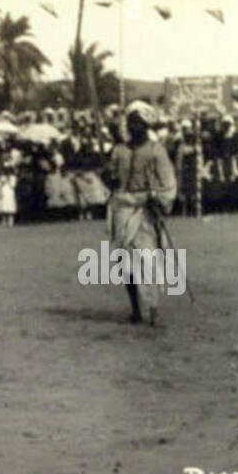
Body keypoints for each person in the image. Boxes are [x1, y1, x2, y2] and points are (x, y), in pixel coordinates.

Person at [102, 100, 177, 327]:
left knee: (147, 260)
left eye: (138, 123)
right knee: (125, 262)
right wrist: (107, 176)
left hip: (145, 208)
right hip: (122, 207)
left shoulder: (156, 151)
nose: (133, 127)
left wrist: (158, 198)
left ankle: (153, 309)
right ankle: (135, 309)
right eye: (130, 123)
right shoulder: (119, 150)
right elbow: (111, 178)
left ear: (146, 126)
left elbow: (168, 184)